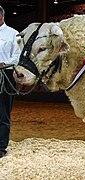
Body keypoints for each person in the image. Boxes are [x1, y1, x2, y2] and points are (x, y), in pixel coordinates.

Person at [0, 5, 21, 158]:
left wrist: (4, 63)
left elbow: (18, 56)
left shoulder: (14, 34)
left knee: (3, 113)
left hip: (5, 76)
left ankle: (1, 147)